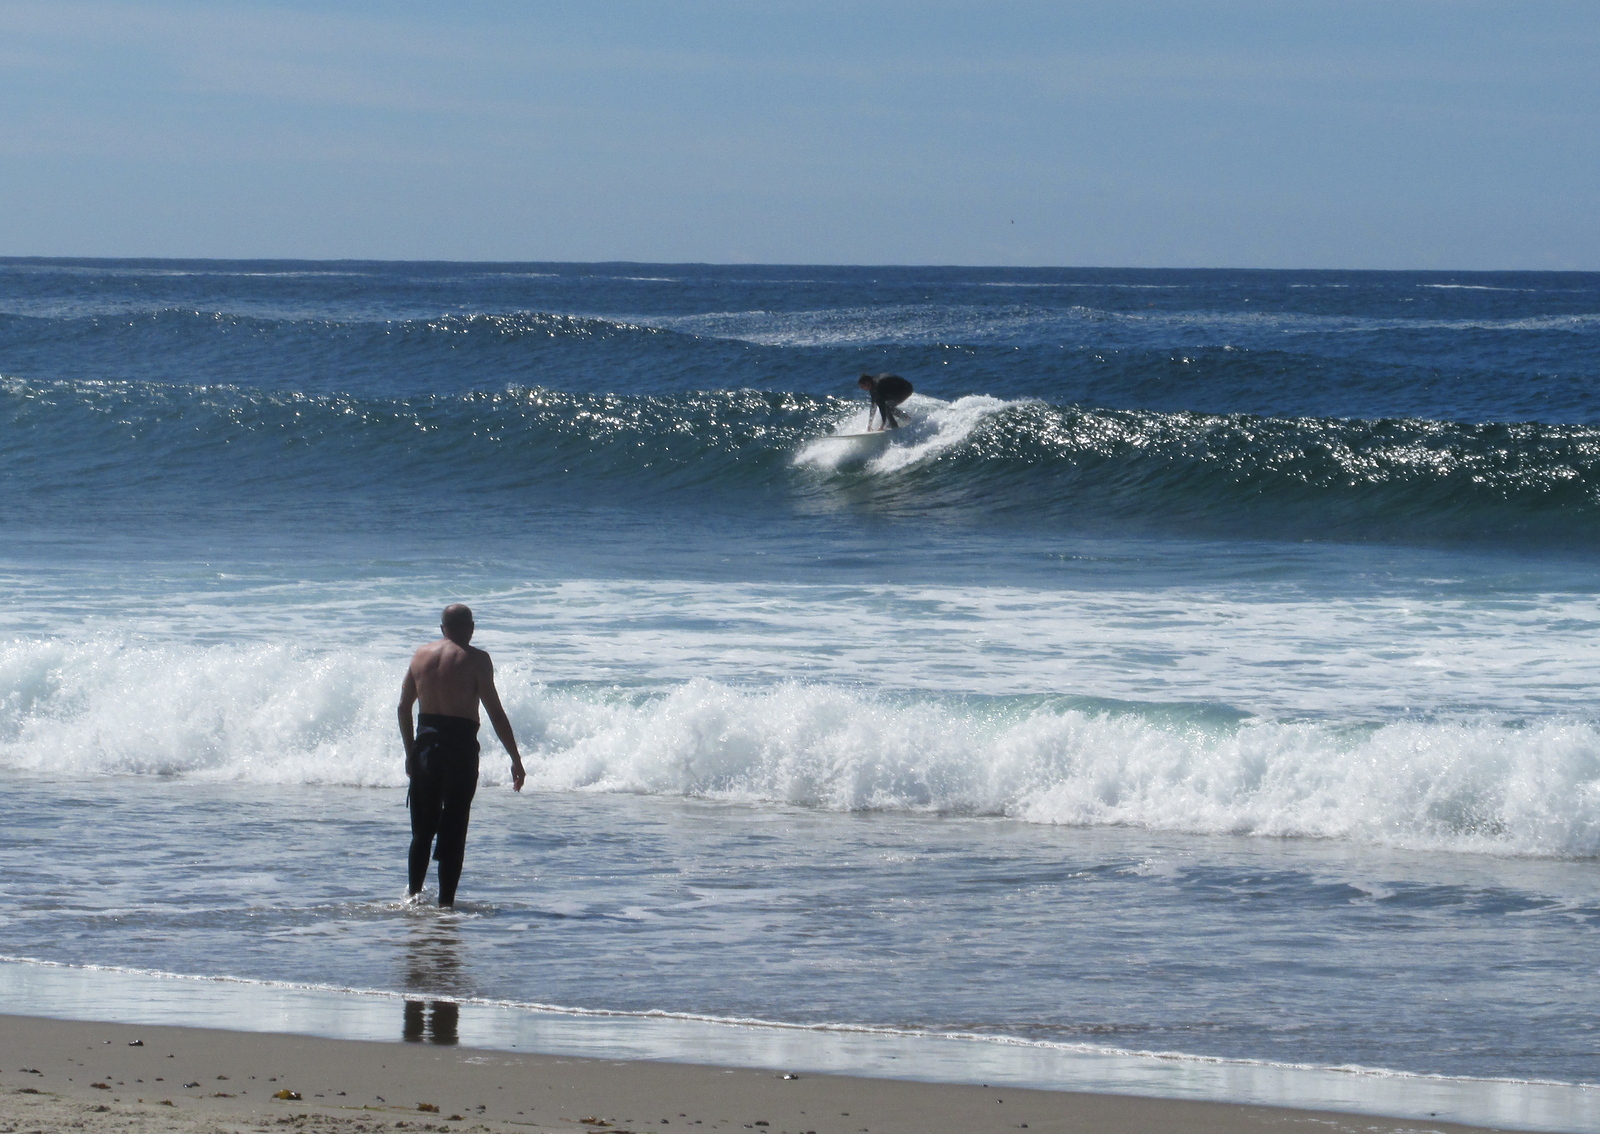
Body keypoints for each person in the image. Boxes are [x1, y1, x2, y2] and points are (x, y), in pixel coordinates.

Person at [398, 603, 525, 907]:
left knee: (422, 832)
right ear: (471, 627)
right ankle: (446, 907)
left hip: (425, 748)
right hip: (459, 751)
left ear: (442, 628)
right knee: (454, 830)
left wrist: (410, 752)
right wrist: (515, 758)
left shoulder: (420, 655)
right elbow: (494, 711)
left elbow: (404, 707)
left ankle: (412, 898)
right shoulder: (477, 659)